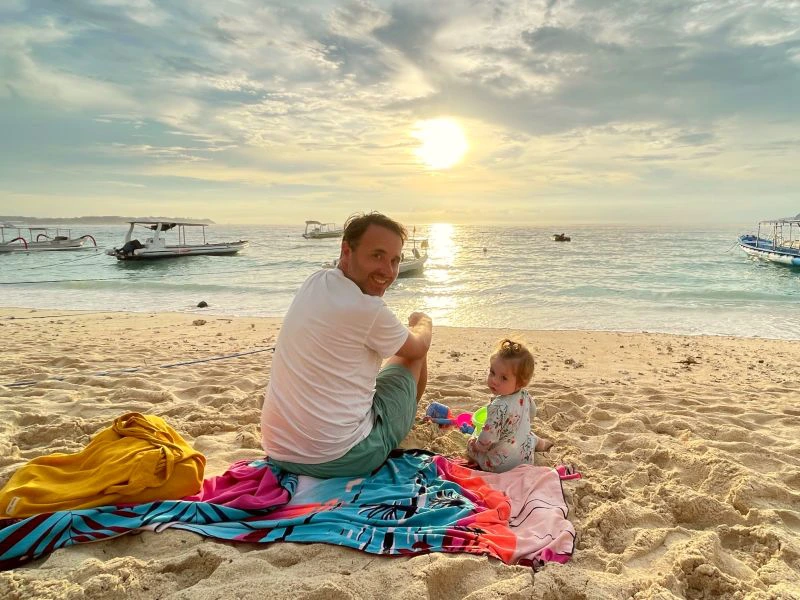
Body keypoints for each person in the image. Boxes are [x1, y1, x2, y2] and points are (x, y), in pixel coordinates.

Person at [261, 212, 432, 478]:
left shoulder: (315, 281)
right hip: (340, 457)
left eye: (395, 260)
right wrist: (423, 322)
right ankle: (398, 429)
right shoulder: (367, 308)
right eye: (376, 255)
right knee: (412, 356)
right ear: (346, 250)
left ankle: (392, 420)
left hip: (279, 449)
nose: (388, 271)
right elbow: (418, 348)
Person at [466, 339, 552, 473]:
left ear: (519, 383)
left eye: (503, 378)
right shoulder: (525, 395)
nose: (494, 380)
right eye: (492, 372)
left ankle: (473, 447)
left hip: (501, 464)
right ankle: (541, 443)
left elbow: (487, 439)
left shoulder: (498, 407)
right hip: (526, 457)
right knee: (527, 435)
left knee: (471, 444)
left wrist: (477, 445)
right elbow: (532, 413)